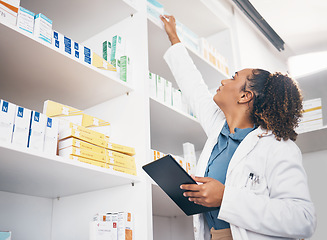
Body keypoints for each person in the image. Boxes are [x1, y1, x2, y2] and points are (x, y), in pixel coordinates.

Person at [160, 15, 316, 240]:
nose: (223, 81)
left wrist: (226, 198)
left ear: (245, 95)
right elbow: (193, 87)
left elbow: (303, 219)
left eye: (233, 78)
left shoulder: (278, 147)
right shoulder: (218, 129)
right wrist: (173, 37)